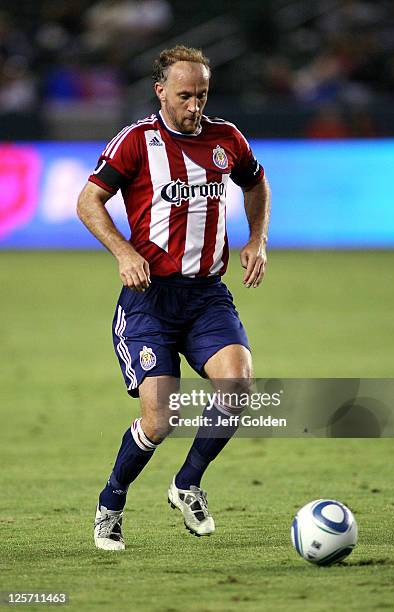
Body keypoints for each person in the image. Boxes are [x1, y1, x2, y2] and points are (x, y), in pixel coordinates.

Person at [77, 45, 270, 551]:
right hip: (150, 300)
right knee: (161, 420)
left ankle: (187, 484)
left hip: (207, 295)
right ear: (160, 91)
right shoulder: (136, 142)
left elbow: (256, 182)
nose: (194, 106)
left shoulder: (226, 139)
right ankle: (111, 503)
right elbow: (88, 199)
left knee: (238, 386)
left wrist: (257, 239)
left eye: (202, 95)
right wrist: (122, 250)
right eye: (185, 95)